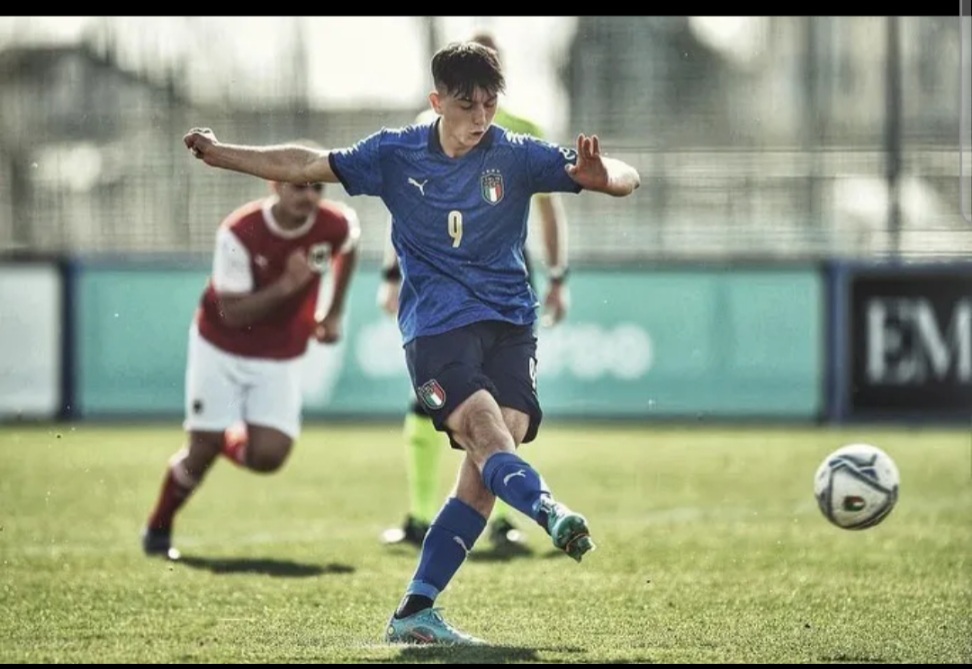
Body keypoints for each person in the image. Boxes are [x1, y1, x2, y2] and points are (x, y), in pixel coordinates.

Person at [182, 39, 640, 645]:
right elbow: (306, 163)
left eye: (490, 104)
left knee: (487, 465)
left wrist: (604, 177)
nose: (481, 118)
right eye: (467, 104)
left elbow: (627, 176)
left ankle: (415, 612)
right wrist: (221, 156)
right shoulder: (395, 154)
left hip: (510, 324)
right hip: (437, 328)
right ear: (437, 102)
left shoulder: (517, 154)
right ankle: (549, 510)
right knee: (486, 434)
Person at [377, 30, 570, 556]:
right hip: (440, 285)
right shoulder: (424, 133)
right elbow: (407, 209)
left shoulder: (523, 133)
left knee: (503, 410)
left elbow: (552, 210)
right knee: (443, 408)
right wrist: (392, 276)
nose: (479, 106)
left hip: (503, 282)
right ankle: (421, 517)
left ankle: (507, 517)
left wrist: (557, 277)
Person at [140, 152, 361, 561]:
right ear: (274, 184)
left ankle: (220, 440)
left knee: (268, 457)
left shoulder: (333, 223)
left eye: (317, 186)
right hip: (220, 347)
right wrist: (286, 286)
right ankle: (159, 525)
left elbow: (349, 244)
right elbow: (232, 313)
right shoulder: (240, 232)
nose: (309, 196)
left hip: (279, 354)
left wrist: (333, 312)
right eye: (299, 185)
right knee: (199, 453)